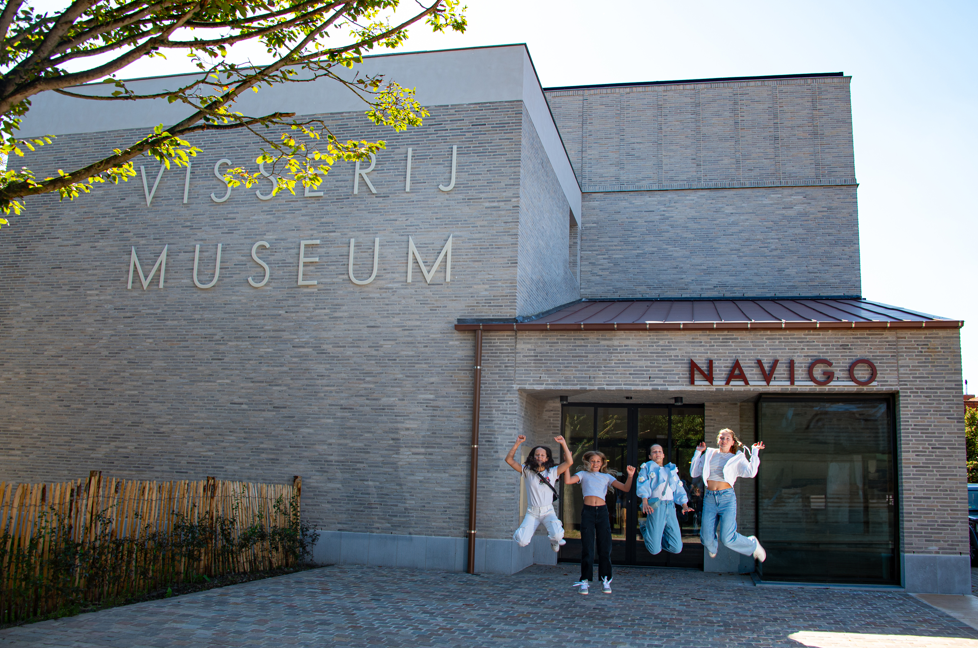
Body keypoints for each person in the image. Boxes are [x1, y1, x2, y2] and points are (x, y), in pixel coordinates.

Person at [690, 428, 767, 563]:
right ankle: (712, 547)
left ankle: (752, 544)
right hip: (709, 498)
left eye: (727, 438)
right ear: (717, 440)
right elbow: (694, 472)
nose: (723, 441)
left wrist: (755, 453)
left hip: (727, 498)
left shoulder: (737, 457)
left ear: (732, 442)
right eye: (721, 438)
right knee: (706, 538)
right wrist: (698, 452)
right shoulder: (709, 454)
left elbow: (751, 472)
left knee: (727, 538)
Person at [564, 451, 635, 595]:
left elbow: (626, 488)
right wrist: (566, 464)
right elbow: (568, 481)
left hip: (602, 512)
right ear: (587, 462)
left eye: (598, 461)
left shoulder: (607, 477)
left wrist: (631, 476)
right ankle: (585, 581)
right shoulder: (583, 475)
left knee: (605, 547)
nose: (595, 463)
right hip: (588, 512)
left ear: (602, 463)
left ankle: (606, 579)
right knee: (587, 547)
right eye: (592, 461)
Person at [504, 434, 574, 552]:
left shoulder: (552, 472)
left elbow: (569, 462)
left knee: (557, 535)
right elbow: (509, 460)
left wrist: (563, 443)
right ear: (533, 457)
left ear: (546, 458)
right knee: (521, 541)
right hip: (532, 512)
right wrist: (517, 444)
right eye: (537, 455)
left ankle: (554, 540)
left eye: (542, 455)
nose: (539, 457)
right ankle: (523, 532)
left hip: (548, 511)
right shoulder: (527, 471)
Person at [636, 444, 693, 556]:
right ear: (650, 456)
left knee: (676, 548)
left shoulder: (670, 470)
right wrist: (645, 501)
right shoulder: (647, 468)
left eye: (659, 451)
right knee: (654, 550)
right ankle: (645, 529)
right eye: (654, 452)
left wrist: (684, 505)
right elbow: (643, 485)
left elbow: (678, 488)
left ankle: (655, 535)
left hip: (671, 506)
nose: (657, 453)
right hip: (657, 506)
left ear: (663, 455)